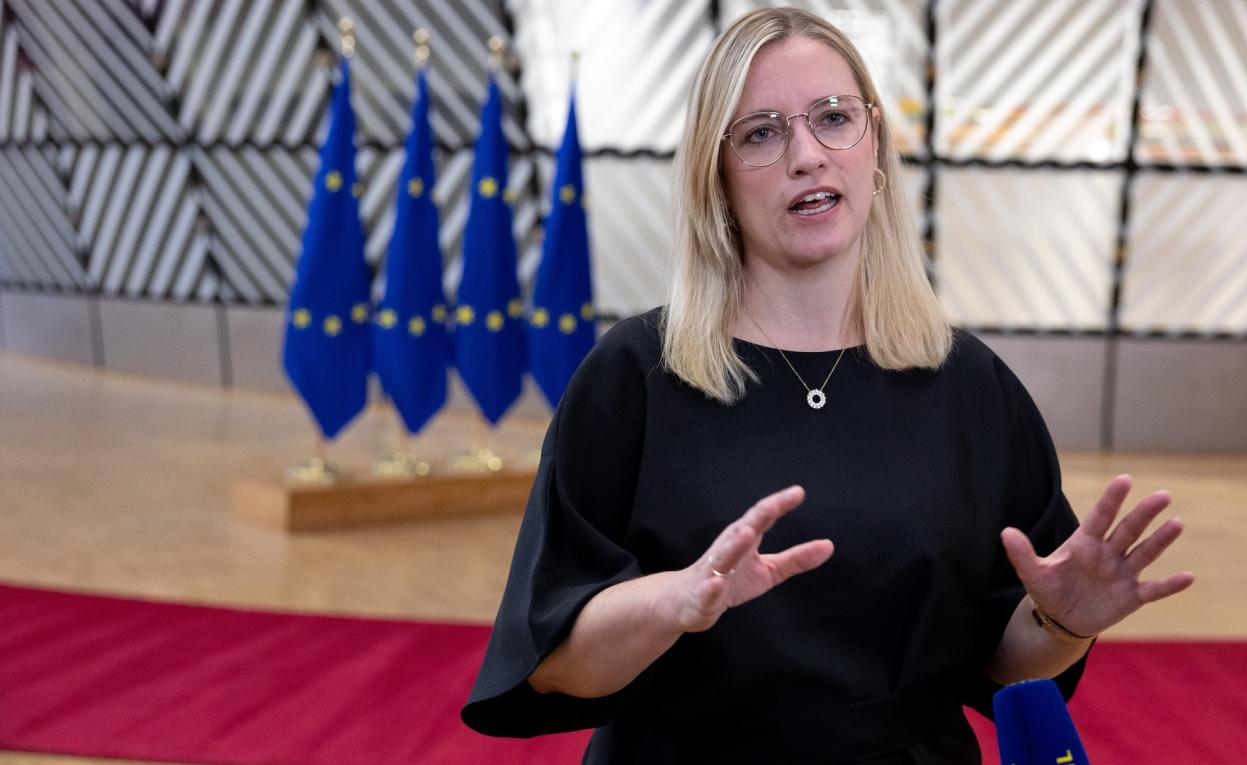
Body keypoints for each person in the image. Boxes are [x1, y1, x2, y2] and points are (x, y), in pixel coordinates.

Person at [462, 7, 1194, 763]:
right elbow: (554, 666)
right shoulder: (634, 376)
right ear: (717, 181)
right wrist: (673, 603)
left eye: (834, 118)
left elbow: (1005, 667)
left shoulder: (972, 387)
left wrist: (1064, 624)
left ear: (874, 145)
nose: (807, 155)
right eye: (761, 134)